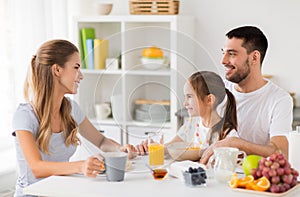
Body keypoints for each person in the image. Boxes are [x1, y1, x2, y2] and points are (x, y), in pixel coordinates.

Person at [12, 39, 137, 197]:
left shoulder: (70, 109)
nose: (81, 76)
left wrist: (120, 151)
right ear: (57, 70)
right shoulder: (25, 116)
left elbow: (101, 141)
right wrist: (81, 166)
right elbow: (37, 168)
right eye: (76, 67)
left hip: (60, 192)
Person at [200, 26, 293, 164]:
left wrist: (235, 143)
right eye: (223, 53)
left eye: (232, 54)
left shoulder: (279, 100)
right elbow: (191, 132)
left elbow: (281, 153)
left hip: (252, 180)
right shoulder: (218, 89)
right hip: (214, 176)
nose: (223, 61)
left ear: (254, 57)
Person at [136, 71, 239, 160]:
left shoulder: (227, 134)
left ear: (209, 100)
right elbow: (171, 146)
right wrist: (154, 148)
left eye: (189, 97)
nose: (185, 103)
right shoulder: (192, 124)